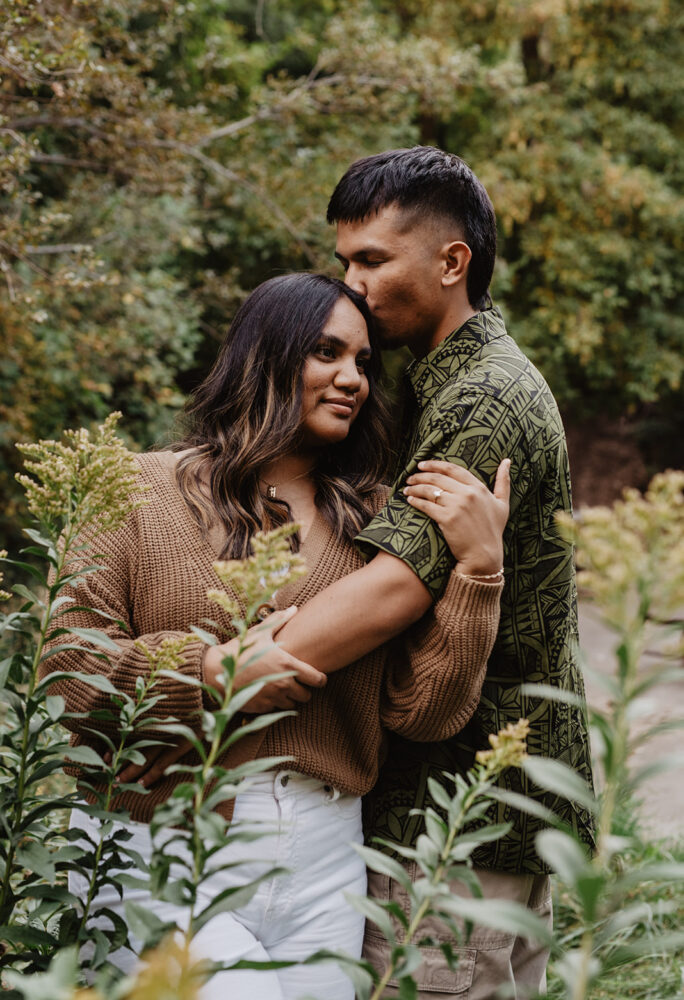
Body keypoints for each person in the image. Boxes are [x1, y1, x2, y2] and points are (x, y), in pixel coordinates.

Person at [42, 272, 509, 1000]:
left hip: (325, 852)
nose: (351, 378)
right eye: (326, 351)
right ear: (264, 353)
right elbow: (66, 661)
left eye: (362, 362)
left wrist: (480, 572)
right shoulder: (136, 490)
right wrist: (207, 670)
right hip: (162, 838)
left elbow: (424, 710)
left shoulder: (377, 525)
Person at [250, 147, 595, 999]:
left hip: (463, 818)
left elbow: (397, 586)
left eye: (371, 259)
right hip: (476, 817)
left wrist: (229, 678)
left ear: (451, 262)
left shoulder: (484, 397)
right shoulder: (441, 385)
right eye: (344, 262)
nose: (352, 283)